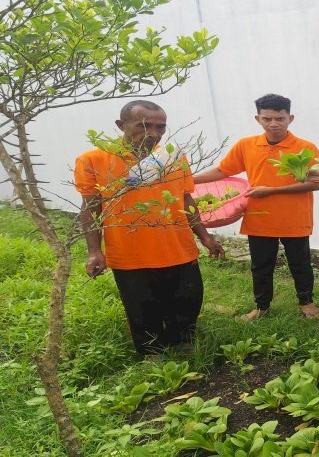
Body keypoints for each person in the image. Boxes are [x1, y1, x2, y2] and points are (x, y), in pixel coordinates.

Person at [75, 100, 225, 356]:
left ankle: (183, 343)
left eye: (160, 127)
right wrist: (94, 251)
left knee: (186, 299)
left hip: (178, 247)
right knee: (141, 307)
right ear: (121, 125)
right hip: (130, 252)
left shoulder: (172, 156)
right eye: (144, 125)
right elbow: (90, 207)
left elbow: (185, 198)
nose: (154, 134)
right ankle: (152, 352)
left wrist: (205, 236)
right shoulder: (94, 159)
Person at [194, 94, 319, 321]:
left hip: (294, 218)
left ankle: (307, 302)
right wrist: (189, 180)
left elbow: (317, 183)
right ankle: (261, 307)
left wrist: (272, 190)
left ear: (290, 118)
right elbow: (222, 171)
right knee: (261, 266)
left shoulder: (305, 148)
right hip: (259, 218)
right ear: (258, 119)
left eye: (279, 118)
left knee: (300, 263)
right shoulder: (246, 145)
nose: (273, 124)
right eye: (267, 119)